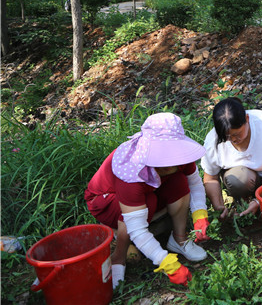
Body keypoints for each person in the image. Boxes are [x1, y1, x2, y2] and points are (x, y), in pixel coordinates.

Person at [84, 113, 209, 290]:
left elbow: (194, 183)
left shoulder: (180, 158)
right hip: (106, 201)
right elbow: (136, 228)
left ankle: (179, 239)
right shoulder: (131, 172)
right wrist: (167, 264)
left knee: (179, 181)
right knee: (147, 202)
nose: (169, 163)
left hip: (151, 190)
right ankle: (119, 257)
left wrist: (200, 213)